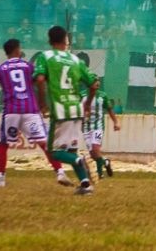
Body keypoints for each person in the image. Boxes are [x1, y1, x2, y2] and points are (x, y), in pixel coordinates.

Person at [0, 39, 70, 187]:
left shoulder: (0, 69)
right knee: (44, 143)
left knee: (4, 144)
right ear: (17, 50)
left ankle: (0, 179)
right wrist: (43, 103)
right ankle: (60, 172)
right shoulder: (28, 67)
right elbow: (40, 82)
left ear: (6, 52)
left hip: (11, 111)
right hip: (31, 110)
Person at [34, 25, 99, 195]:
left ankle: (80, 160)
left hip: (61, 109)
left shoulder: (45, 57)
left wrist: (42, 103)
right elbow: (94, 85)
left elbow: (40, 79)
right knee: (71, 150)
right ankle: (85, 185)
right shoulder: (76, 60)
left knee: (54, 151)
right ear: (66, 40)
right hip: (77, 109)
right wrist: (87, 104)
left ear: (49, 41)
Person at [82, 87, 120, 179]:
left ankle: (100, 174)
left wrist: (116, 122)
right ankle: (105, 162)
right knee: (93, 154)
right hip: (86, 127)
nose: (96, 85)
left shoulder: (102, 96)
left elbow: (110, 109)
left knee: (95, 148)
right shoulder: (82, 95)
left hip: (98, 127)